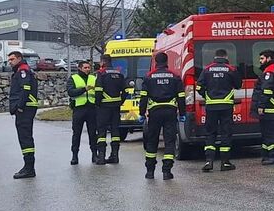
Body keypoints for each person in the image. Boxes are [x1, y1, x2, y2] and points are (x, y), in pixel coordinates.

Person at [138, 52, 185, 180]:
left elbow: (143, 97)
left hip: (154, 112)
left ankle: (150, 171)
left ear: (156, 62)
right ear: (167, 61)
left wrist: (141, 113)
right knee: (169, 141)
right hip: (170, 111)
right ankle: (166, 171)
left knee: (152, 140)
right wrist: (183, 113)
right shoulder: (175, 76)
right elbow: (181, 97)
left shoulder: (148, 77)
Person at [196, 48, 240, 172]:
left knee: (210, 133)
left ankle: (209, 161)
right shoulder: (231, 69)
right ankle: (225, 163)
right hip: (226, 106)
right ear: (226, 57)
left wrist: (207, 95)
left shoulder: (207, 69)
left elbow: (199, 87)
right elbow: (238, 85)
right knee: (226, 133)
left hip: (211, 106)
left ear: (215, 57)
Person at [250, 49, 274, 165]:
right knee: (267, 133)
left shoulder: (270, 71)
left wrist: (261, 106)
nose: (260, 61)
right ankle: (267, 155)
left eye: (262, 58)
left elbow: (266, 90)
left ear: (269, 58)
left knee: (271, 133)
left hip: (271, 107)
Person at [7, 50, 39, 179]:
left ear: (19, 59)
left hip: (25, 109)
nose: (10, 62)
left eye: (12, 59)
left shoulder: (23, 71)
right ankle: (28, 166)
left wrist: (19, 107)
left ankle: (29, 168)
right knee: (25, 137)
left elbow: (25, 89)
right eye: (9, 60)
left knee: (25, 138)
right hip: (26, 108)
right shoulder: (22, 70)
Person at [94, 54, 127, 165]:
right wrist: (120, 102)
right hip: (116, 107)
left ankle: (102, 157)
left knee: (101, 131)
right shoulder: (119, 73)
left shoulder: (101, 73)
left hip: (103, 107)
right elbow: (125, 91)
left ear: (102, 62)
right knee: (115, 131)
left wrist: (97, 104)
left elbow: (98, 90)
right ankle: (115, 156)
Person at [66, 60, 98, 165]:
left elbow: (98, 92)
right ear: (80, 68)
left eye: (89, 67)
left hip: (91, 109)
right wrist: (84, 89)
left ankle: (94, 155)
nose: (88, 69)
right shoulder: (73, 78)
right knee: (76, 134)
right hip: (79, 109)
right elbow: (71, 92)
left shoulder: (94, 78)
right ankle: (74, 156)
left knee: (93, 133)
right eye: (85, 67)